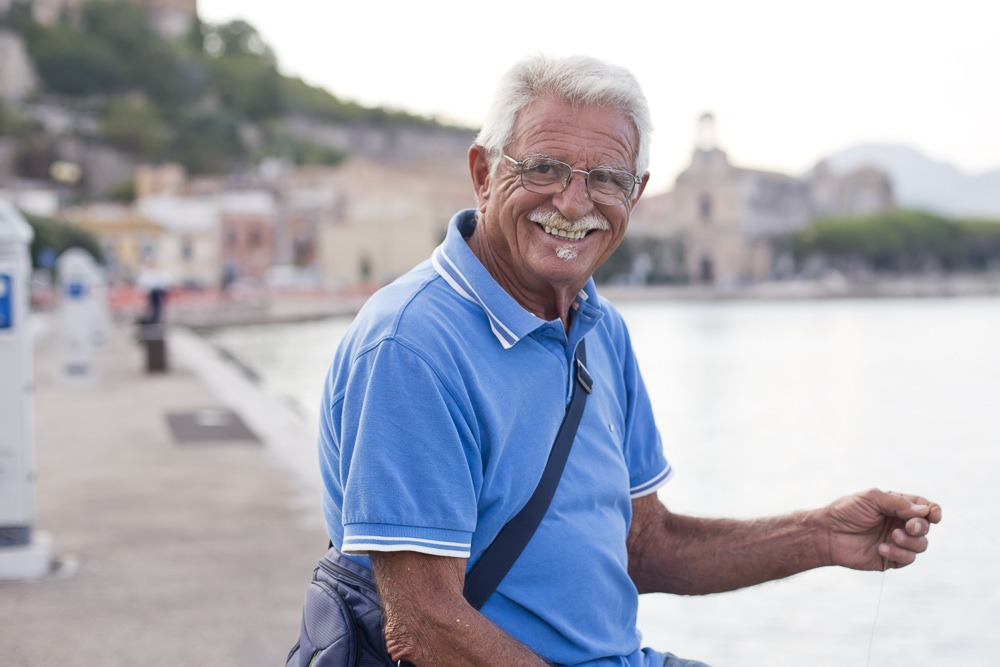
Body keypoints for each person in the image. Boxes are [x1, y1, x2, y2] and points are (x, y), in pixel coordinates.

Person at [314, 54, 941, 666]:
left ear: (636, 195)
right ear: (483, 173)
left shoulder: (597, 326)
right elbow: (425, 627)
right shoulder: (412, 345)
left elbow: (644, 544)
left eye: (606, 179)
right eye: (544, 168)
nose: (573, 203)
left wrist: (821, 535)